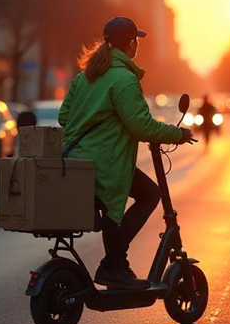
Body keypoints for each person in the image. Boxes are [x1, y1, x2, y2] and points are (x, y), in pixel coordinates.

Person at [59, 16, 193, 291]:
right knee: (150, 194)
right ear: (132, 44)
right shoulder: (124, 79)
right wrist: (178, 134)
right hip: (106, 163)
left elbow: (64, 117)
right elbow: (142, 126)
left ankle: (116, 265)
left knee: (114, 207)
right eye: (136, 42)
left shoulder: (84, 77)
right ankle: (112, 264)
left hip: (76, 163)